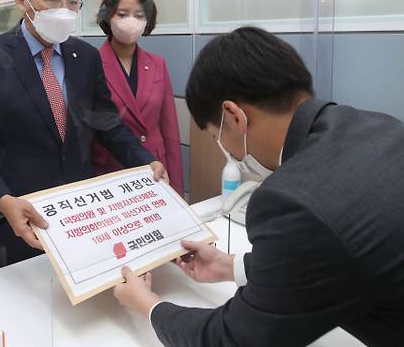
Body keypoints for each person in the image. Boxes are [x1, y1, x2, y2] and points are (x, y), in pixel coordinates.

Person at [113, 26, 404, 346]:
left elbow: (230, 340)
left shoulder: (291, 203)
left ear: (234, 116)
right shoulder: (381, 126)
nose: (223, 148)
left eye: (215, 136)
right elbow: (329, 254)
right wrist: (232, 266)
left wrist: (148, 304)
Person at [0, 0, 168, 271]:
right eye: (53, 0)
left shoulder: (84, 57)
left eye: (73, 2)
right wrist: (2, 200)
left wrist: (144, 160)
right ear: (22, 0)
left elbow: (107, 124)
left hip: (77, 220)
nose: (65, 11)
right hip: (15, 220)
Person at [92, 0, 183, 195]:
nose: (131, 21)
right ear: (107, 16)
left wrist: (177, 187)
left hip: (155, 172)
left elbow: (169, 129)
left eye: (139, 15)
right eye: (122, 14)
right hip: (110, 173)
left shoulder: (157, 63)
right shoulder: (91, 63)